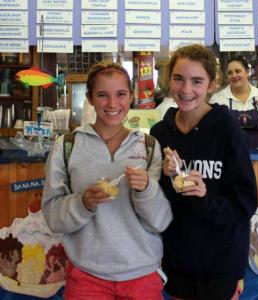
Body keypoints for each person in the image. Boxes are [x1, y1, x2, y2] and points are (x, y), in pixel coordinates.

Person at [42, 62, 172, 300]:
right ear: (90, 98)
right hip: (86, 277)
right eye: (103, 95)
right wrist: (84, 203)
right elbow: (52, 216)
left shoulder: (149, 146)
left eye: (121, 94)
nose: (113, 104)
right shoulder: (66, 146)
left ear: (131, 97)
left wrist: (146, 190)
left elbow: (160, 222)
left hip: (143, 275)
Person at [150, 44, 258, 300]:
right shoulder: (159, 134)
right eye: (178, 79)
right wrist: (160, 181)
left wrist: (204, 196)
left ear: (211, 84)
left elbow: (244, 204)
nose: (186, 90)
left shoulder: (228, 130)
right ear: (169, 81)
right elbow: (155, 206)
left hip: (220, 265)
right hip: (175, 264)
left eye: (197, 81)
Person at [209, 55, 258, 149]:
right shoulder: (217, 99)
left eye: (238, 71)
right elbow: (210, 131)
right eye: (230, 73)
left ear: (247, 72)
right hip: (229, 157)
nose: (234, 75)